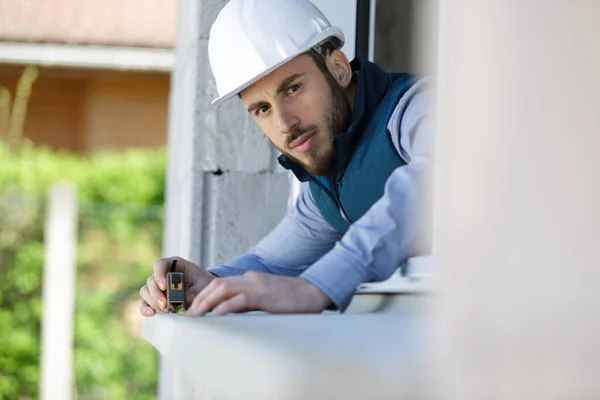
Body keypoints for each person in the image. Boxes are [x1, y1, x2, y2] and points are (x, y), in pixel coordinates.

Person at [139, 0, 434, 317]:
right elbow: (272, 263)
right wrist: (209, 283)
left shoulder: (418, 107)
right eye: (262, 109)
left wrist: (318, 286)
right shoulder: (326, 185)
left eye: (293, 88)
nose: (284, 123)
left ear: (338, 68)